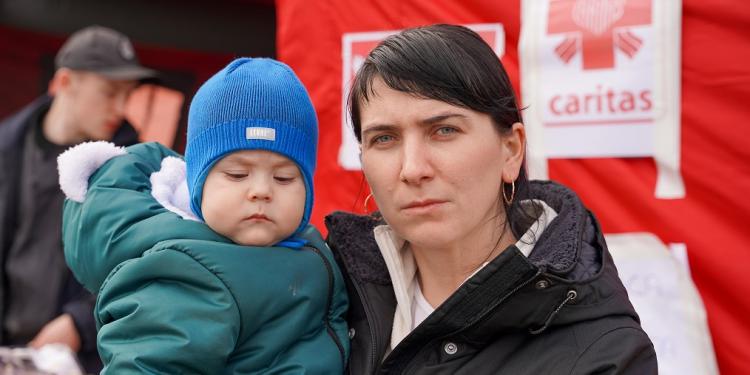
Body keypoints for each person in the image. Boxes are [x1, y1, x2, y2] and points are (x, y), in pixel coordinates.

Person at [325, 24, 658, 374]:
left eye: (444, 130)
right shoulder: (323, 297)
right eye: (385, 139)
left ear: (511, 151)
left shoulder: (603, 353)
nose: (412, 168)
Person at [59, 57, 349, 373]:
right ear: (198, 182)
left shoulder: (308, 246)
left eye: (284, 178)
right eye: (238, 174)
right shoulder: (188, 272)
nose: (262, 191)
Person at [0, 25, 155, 372]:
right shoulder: (6, 149)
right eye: (109, 92)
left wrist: (78, 323)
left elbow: (142, 261)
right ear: (65, 82)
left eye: (127, 94)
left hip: (84, 358)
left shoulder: (133, 166)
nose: (120, 106)